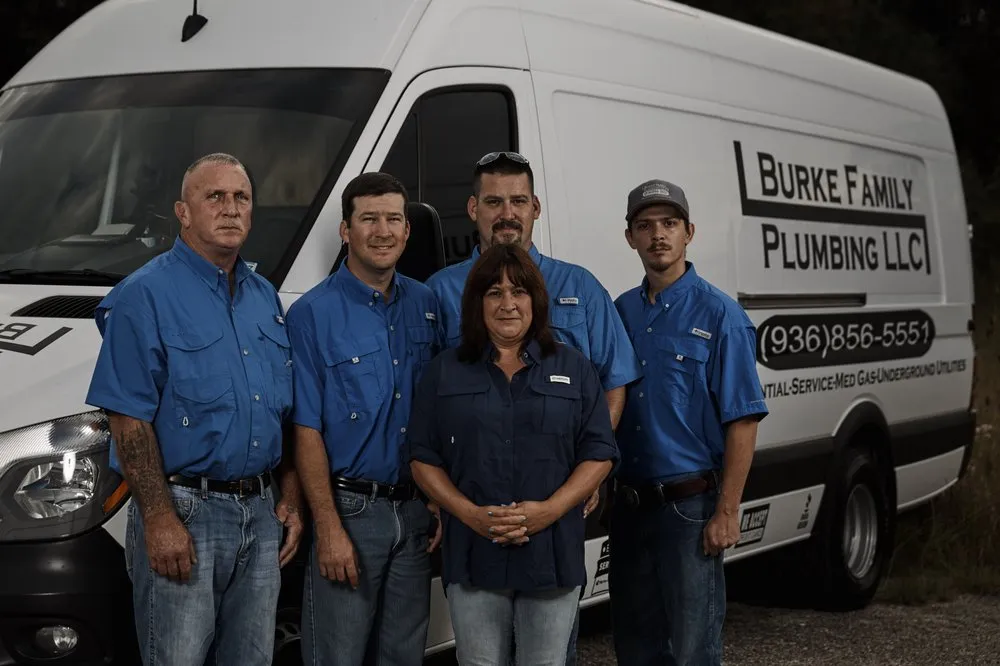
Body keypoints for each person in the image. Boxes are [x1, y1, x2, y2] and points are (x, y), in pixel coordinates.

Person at [85, 152, 304, 666]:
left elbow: (281, 410)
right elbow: (127, 419)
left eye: (241, 198)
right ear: (183, 212)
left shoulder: (264, 297)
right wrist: (160, 519)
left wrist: (289, 496)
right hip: (186, 513)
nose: (231, 209)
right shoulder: (144, 296)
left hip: (260, 511)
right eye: (215, 197)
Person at [425, 151, 641, 662]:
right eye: (495, 200)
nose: (507, 212)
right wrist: (443, 497)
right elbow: (431, 398)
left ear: (536, 207)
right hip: (475, 512)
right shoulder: (439, 292)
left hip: (553, 509)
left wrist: (579, 481)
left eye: (518, 200)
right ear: (473, 208)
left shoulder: (581, 287)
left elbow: (612, 384)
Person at [406, 242, 619, 666]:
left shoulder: (574, 367)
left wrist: (549, 510)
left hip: (551, 553)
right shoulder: (445, 370)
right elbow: (422, 457)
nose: (508, 304)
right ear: (476, 302)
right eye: (494, 292)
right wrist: (469, 515)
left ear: (536, 301)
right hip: (473, 555)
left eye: (518, 291)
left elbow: (599, 452)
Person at [285, 172, 444, 666]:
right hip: (351, 512)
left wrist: (438, 501)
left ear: (407, 230)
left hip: (416, 511)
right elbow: (305, 429)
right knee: (337, 656)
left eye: (393, 218)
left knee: (404, 656)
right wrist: (328, 527)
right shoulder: (312, 314)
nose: (382, 230)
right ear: (345, 231)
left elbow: (440, 412)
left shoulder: (428, 305)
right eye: (369, 218)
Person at [609, 179, 769, 666]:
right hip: (629, 508)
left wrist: (727, 511)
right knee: (635, 646)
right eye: (646, 225)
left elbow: (742, 421)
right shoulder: (620, 312)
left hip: (689, 509)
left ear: (689, 233)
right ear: (630, 237)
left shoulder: (722, 315)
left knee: (693, 650)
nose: (658, 235)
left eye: (670, 224)